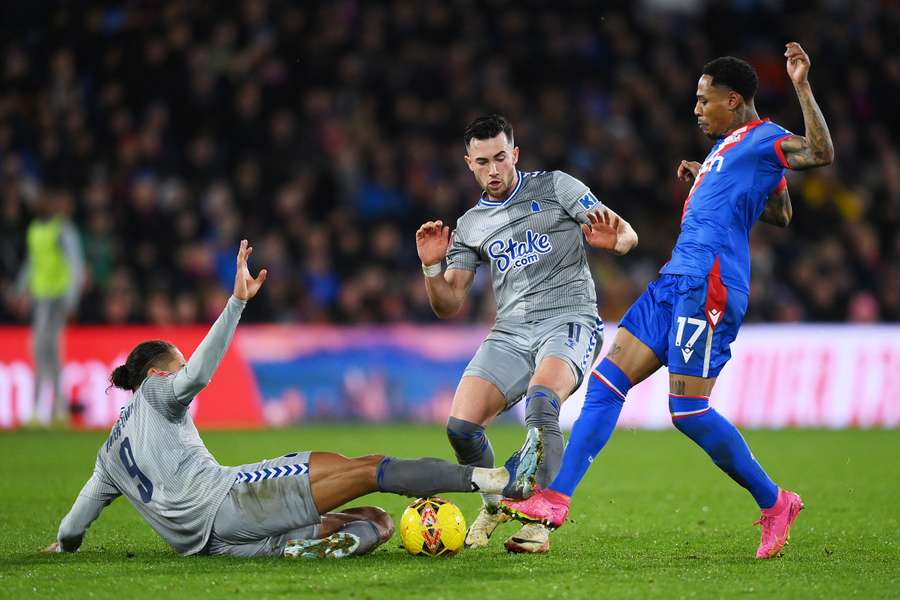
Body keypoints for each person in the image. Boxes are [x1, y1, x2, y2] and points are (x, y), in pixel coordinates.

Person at [502, 43, 834, 560]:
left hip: (711, 286)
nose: (696, 109)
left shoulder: (765, 136)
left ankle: (776, 502)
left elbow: (820, 153)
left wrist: (801, 85)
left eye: (705, 101)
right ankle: (556, 499)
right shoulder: (729, 150)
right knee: (608, 381)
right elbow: (779, 211)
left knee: (688, 411)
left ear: (735, 100)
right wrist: (712, 175)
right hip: (674, 279)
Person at [44, 240, 542, 559]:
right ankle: (485, 477)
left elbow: (74, 525)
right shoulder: (157, 391)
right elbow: (194, 377)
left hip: (213, 548)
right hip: (231, 499)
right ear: (156, 373)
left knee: (377, 522)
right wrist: (236, 303)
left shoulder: (109, 454)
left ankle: (296, 547)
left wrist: (61, 547)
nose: (179, 371)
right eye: (175, 362)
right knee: (370, 467)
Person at [415, 115, 638, 553]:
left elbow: (626, 232)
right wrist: (430, 267)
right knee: (461, 428)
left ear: (515, 154)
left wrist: (619, 243)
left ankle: (539, 520)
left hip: (569, 319)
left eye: (501, 157)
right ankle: (495, 505)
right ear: (469, 164)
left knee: (542, 402)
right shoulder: (471, 224)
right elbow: (448, 302)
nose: (494, 169)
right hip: (511, 332)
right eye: (483, 162)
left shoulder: (556, 186)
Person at [15, 189, 84, 425]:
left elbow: (75, 264)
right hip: (41, 298)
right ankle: (55, 409)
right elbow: (32, 263)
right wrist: (20, 290)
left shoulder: (61, 230)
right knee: (46, 352)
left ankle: (48, 409)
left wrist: (71, 298)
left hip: (56, 299)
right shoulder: (35, 230)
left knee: (44, 350)